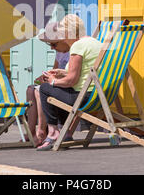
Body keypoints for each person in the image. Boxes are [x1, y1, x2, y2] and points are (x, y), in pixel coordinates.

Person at [36, 14, 103, 151]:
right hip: (97, 95)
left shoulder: (77, 46)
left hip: (81, 97)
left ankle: (54, 132)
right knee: (57, 90)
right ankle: (65, 133)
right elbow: (85, 72)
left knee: (44, 89)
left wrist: (53, 81)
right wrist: (62, 73)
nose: (62, 38)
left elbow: (72, 80)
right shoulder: (96, 43)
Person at [25, 27, 70, 146]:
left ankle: (41, 131)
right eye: (50, 44)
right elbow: (54, 70)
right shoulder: (60, 52)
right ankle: (30, 131)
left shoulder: (73, 53)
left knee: (39, 91)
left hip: (65, 86)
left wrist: (52, 79)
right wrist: (45, 76)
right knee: (30, 89)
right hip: (57, 82)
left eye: (54, 44)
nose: (52, 48)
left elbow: (70, 76)